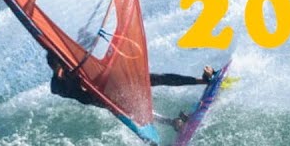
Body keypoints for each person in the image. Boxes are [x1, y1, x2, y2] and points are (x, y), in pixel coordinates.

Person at [46, 50, 213, 127]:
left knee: (153, 78)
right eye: (63, 65)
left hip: (108, 83)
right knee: (133, 111)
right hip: (100, 97)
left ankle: (202, 81)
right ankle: (173, 124)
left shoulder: (74, 67)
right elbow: (78, 92)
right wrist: (73, 77)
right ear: (56, 67)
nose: (68, 66)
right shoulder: (57, 86)